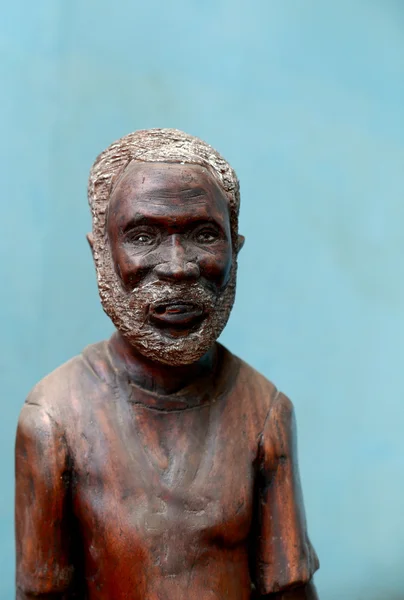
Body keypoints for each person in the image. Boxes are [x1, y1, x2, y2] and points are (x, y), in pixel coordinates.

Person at [15, 129, 319, 599]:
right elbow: (42, 593)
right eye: (142, 236)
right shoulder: (54, 420)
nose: (178, 267)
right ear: (101, 254)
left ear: (234, 252)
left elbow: (290, 590)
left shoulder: (264, 411)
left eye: (203, 235)